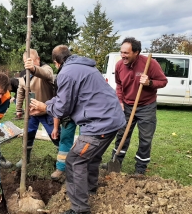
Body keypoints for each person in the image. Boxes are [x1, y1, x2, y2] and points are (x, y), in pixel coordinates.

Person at [29, 45, 126, 214]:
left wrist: (45, 107)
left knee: (74, 161)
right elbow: (62, 99)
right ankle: (90, 188)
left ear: (56, 63)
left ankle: (80, 209)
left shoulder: (66, 73)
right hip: (112, 119)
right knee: (93, 156)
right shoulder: (84, 67)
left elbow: (63, 108)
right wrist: (48, 105)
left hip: (100, 123)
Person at [102, 37, 168, 175]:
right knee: (122, 135)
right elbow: (119, 84)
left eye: (126, 53)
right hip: (127, 106)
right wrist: (120, 101)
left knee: (145, 139)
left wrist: (149, 82)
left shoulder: (150, 64)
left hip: (146, 107)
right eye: (121, 52)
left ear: (136, 52)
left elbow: (163, 81)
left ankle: (140, 169)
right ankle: (115, 162)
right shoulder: (120, 65)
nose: (123, 55)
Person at [15, 49, 60, 168]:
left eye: (31, 61)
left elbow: (47, 74)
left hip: (47, 111)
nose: (27, 64)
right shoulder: (23, 75)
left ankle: (62, 158)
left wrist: (34, 69)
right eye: (26, 62)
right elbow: (20, 92)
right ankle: (25, 158)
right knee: (28, 136)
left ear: (38, 59)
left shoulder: (46, 69)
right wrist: (19, 109)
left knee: (55, 135)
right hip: (31, 113)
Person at [50, 61, 77, 181]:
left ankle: (81, 168)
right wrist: (56, 128)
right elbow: (57, 106)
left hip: (86, 113)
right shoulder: (59, 81)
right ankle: (61, 168)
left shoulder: (79, 76)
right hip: (68, 115)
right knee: (65, 138)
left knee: (87, 142)